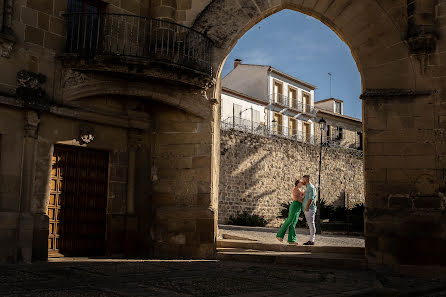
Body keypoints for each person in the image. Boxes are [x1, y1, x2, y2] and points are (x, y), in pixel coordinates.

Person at [276, 180, 304, 244]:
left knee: (293, 223)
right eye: (300, 182)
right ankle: (279, 235)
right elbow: (299, 199)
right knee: (290, 220)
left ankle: (291, 240)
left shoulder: (300, 190)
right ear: (297, 183)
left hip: (298, 207)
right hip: (295, 205)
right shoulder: (296, 189)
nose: (302, 182)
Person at [302, 175, 317, 245]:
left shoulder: (311, 187)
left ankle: (311, 240)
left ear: (306, 179)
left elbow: (311, 198)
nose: (302, 181)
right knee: (310, 224)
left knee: (311, 224)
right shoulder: (308, 187)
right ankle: (311, 240)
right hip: (307, 209)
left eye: (303, 180)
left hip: (310, 209)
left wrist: (307, 207)